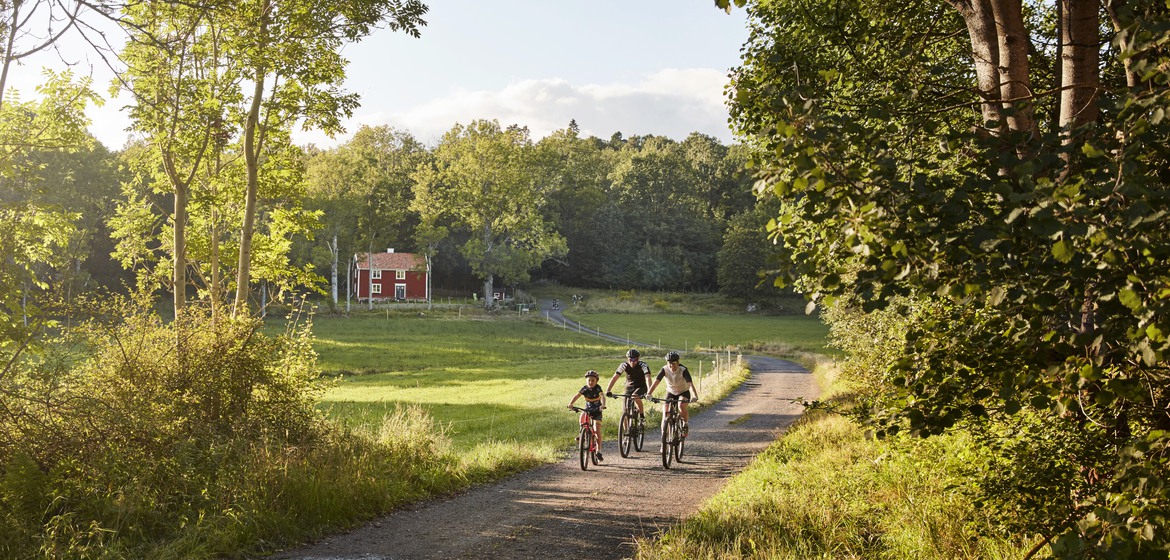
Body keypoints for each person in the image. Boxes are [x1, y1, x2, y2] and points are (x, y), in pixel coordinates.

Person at [647, 351, 699, 437]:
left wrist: (695, 396)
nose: (671, 366)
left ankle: (685, 424)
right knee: (665, 411)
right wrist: (649, 394)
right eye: (669, 363)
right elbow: (656, 382)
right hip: (671, 392)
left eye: (674, 363)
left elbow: (690, 385)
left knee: (681, 406)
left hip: (683, 392)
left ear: (678, 363)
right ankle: (664, 437)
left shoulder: (683, 370)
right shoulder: (664, 369)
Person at [568, 369, 606, 461]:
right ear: (586, 380)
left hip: (597, 410)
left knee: (597, 431)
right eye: (589, 380)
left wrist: (603, 405)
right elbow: (577, 396)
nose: (591, 382)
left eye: (593, 380)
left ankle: (598, 451)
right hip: (588, 409)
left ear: (596, 381)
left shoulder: (598, 388)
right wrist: (571, 404)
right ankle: (581, 433)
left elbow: (602, 396)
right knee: (582, 415)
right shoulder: (584, 388)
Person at [605, 348, 652, 422]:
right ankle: (625, 431)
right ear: (627, 359)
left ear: (638, 359)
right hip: (629, 387)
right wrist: (608, 390)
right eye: (631, 360)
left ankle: (642, 415)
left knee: (635, 396)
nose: (633, 362)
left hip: (641, 386)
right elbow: (615, 377)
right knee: (624, 411)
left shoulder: (643, 365)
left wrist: (649, 392)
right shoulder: (624, 365)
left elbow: (648, 378)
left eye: (635, 360)